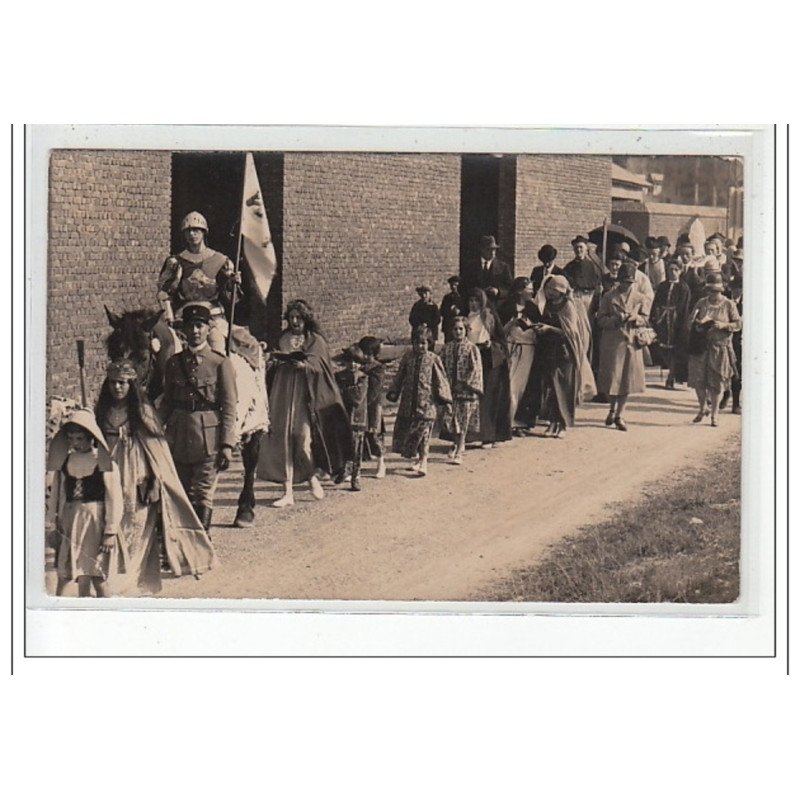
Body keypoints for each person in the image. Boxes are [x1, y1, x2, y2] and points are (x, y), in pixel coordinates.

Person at [95, 359, 215, 594]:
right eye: (113, 383)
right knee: (111, 523)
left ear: (132, 385)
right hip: (109, 473)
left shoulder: (143, 412)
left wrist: (156, 480)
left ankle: (130, 582)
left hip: (137, 474)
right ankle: (113, 578)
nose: (117, 388)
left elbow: (157, 451)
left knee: (135, 526)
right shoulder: (102, 411)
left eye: (122, 383)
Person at [257, 299, 352, 506]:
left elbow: (321, 365)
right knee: (282, 438)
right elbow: (273, 358)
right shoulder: (283, 338)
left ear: (306, 319)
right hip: (282, 391)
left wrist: (305, 365)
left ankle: (311, 477)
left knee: (301, 437)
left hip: (306, 394)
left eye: (298, 318)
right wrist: (271, 357)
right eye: (291, 318)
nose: (294, 321)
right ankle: (287, 491)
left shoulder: (315, 340)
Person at [160, 302, 237, 531]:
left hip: (208, 439)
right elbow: (167, 403)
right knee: (181, 492)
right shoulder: (174, 363)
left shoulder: (220, 363)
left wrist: (227, 444)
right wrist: (152, 428)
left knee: (202, 493)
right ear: (183, 330)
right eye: (190, 326)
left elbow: (229, 406)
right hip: (178, 435)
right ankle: (185, 545)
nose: (194, 331)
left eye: (199, 326)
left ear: (208, 329)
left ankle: (202, 544)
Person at [46, 410, 125, 597]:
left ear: (92, 437)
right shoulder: (65, 463)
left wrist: (110, 531)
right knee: (67, 574)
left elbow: (114, 498)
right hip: (70, 520)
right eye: (71, 439)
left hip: (95, 523)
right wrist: (52, 524)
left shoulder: (104, 463)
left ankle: (105, 614)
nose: (75, 443)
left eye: (80, 438)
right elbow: (57, 494)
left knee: (97, 575)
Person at [157, 211, 241, 353]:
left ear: (204, 233)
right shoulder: (176, 261)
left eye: (196, 230)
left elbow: (231, 297)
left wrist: (233, 284)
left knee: (218, 349)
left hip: (213, 318)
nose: (192, 235)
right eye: (188, 231)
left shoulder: (221, 260)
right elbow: (164, 293)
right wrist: (169, 318)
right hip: (184, 318)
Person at [529, 277, 596, 437]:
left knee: (564, 388)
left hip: (565, 352)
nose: (548, 293)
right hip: (550, 351)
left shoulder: (568, 306)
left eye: (551, 290)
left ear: (558, 290)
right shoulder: (550, 305)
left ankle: (563, 424)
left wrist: (549, 329)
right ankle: (553, 422)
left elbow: (571, 332)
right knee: (552, 387)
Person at [386, 324, 452, 477]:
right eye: (417, 342)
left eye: (424, 343)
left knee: (424, 433)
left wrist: (445, 399)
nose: (420, 346)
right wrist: (393, 392)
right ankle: (417, 458)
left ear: (429, 343)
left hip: (426, 404)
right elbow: (400, 376)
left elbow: (440, 380)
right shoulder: (408, 357)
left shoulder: (433, 359)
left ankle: (424, 460)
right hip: (409, 404)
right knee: (411, 433)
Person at [596, 261, 650, 431]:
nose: (627, 286)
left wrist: (637, 319)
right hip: (612, 341)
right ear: (619, 280)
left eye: (630, 283)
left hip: (631, 342)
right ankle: (611, 409)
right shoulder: (608, 296)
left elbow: (646, 318)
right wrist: (614, 320)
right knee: (612, 378)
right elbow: (600, 319)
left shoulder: (640, 298)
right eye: (625, 282)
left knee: (627, 379)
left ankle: (620, 414)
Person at [687, 273, 742, 426]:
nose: (713, 294)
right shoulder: (701, 303)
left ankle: (714, 413)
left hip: (720, 347)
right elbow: (689, 323)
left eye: (716, 291)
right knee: (699, 380)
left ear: (721, 290)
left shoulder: (729, 304)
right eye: (710, 291)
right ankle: (702, 407)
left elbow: (738, 324)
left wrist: (724, 325)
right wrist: (696, 323)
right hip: (701, 346)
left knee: (716, 382)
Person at [466, 288, 512, 447]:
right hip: (472, 358)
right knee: (474, 398)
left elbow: (500, 338)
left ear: (482, 301)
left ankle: (490, 436)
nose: (473, 304)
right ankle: (474, 435)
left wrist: (491, 344)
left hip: (489, 359)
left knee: (490, 398)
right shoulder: (467, 318)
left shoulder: (489, 316)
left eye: (476, 301)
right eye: (470, 301)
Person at [440, 316, 483, 463]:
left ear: (466, 331)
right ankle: (455, 443)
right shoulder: (447, 348)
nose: (458, 332)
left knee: (463, 420)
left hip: (466, 391)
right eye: (455, 329)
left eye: (461, 329)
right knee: (451, 419)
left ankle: (460, 447)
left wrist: (464, 383)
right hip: (450, 390)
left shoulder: (472, 348)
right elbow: (441, 368)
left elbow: (475, 370)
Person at [649, 259, 691, 389]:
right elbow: (656, 302)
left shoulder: (683, 288)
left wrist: (682, 325)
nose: (673, 272)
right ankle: (670, 371)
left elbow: (684, 308)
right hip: (662, 322)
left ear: (680, 271)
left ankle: (671, 376)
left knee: (675, 350)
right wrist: (654, 317)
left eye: (675, 270)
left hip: (676, 323)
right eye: (670, 269)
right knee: (662, 349)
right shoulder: (662, 286)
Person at [334, 346, 369, 492]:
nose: (353, 365)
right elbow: (334, 393)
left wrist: (343, 392)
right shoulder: (339, 376)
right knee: (341, 447)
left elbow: (357, 398)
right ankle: (344, 469)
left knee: (356, 450)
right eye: (349, 361)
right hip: (342, 417)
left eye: (356, 361)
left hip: (357, 420)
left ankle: (356, 477)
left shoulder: (363, 377)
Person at [503, 302, 538, 435]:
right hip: (513, 353)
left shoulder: (535, 324)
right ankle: (507, 422)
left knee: (522, 389)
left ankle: (518, 423)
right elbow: (503, 333)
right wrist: (512, 323)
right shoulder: (512, 323)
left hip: (528, 356)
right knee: (511, 387)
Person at [358, 335, 388, 478]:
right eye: (363, 353)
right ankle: (357, 465)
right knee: (359, 435)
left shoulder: (378, 369)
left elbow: (374, 390)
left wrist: (363, 401)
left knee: (374, 434)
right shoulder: (359, 366)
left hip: (372, 405)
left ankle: (381, 462)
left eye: (369, 354)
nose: (365, 357)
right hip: (361, 406)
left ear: (375, 355)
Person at [563, 235, 603, 318]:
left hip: (590, 299)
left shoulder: (593, 266)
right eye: (576, 248)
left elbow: (598, 283)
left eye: (581, 247)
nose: (578, 250)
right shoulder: (569, 267)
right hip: (576, 298)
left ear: (586, 249)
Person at [474, 234, 514, 306]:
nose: (492, 252)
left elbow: (510, 289)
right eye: (489, 249)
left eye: (494, 249)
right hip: (477, 308)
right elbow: (463, 288)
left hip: (497, 308)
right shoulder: (471, 267)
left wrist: (498, 292)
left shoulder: (503, 267)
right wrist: (478, 292)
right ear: (482, 250)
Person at [440, 275, 468, 343]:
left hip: (460, 325)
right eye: (452, 285)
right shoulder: (447, 298)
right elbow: (442, 311)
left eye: (455, 285)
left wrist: (459, 311)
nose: (453, 287)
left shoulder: (464, 297)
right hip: (449, 326)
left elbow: (467, 311)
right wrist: (450, 310)